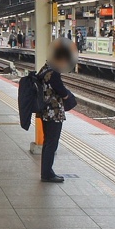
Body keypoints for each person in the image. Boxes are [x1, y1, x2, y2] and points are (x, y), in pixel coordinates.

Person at [35, 41, 77, 183]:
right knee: (52, 143)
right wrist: (68, 97)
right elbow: (62, 92)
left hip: (45, 111)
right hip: (53, 112)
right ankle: (47, 173)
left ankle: (46, 171)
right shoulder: (53, 73)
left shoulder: (44, 69)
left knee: (48, 142)